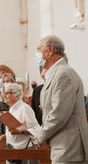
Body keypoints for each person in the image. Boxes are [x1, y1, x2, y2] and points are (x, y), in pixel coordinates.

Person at [36, 35, 88, 163]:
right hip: (62, 145)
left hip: (69, 147)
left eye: (40, 48)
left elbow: (59, 114)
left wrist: (41, 136)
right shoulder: (57, 73)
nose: (37, 50)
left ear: (50, 51)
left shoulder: (63, 74)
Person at [0, 83, 40, 164]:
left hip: (25, 151)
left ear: (16, 94)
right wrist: (4, 136)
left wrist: (20, 132)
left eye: (7, 93)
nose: (4, 95)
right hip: (12, 150)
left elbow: (37, 130)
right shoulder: (12, 109)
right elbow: (15, 128)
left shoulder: (25, 108)